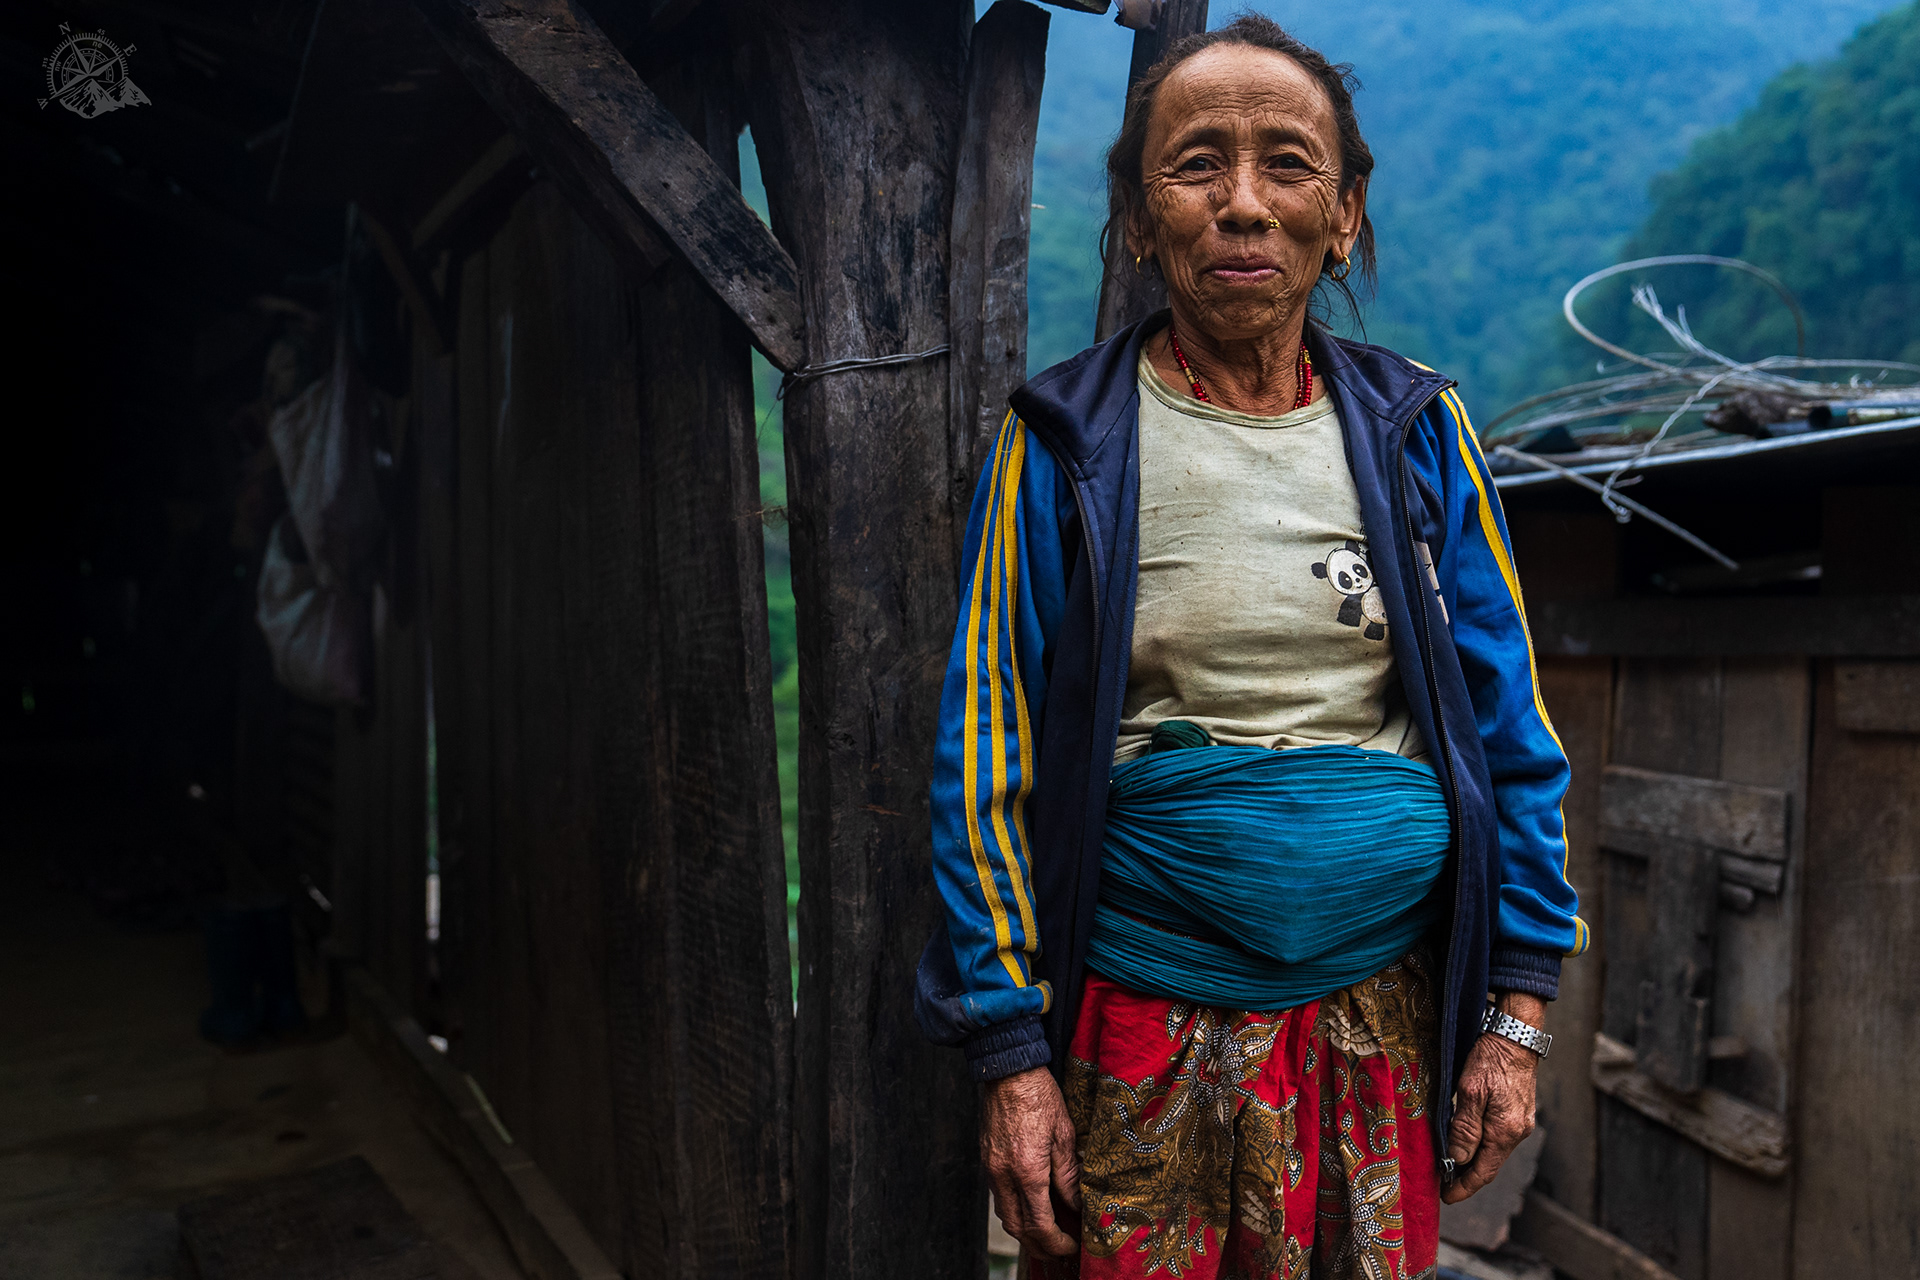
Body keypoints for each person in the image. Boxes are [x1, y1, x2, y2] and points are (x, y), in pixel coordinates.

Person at [914, 14, 1585, 1279]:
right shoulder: (1066, 445)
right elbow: (984, 757)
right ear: (1136, 210)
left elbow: (1513, 735)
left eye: (1287, 163)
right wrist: (1009, 1054)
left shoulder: (1417, 433)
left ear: (1344, 210)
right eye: (1196, 163)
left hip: (1379, 1018)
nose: (1242, 204)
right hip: (1138, 1019)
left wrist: (1516, 1014)